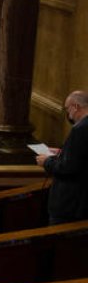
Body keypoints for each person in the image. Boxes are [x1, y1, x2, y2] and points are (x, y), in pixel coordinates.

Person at [36, 90, 88, 224]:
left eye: (67, 109)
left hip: (70, 204)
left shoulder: (80, 129)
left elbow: (68, 168)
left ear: (75, 107)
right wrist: (62, 152)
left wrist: (46, 161)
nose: (68, 115)